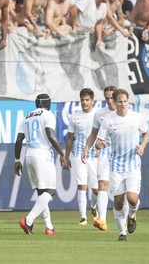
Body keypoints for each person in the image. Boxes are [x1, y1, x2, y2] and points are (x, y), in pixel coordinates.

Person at [86, 88, 149, 242]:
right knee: (119, 201)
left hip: (133, 164)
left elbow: (146, 133)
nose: (122, 104)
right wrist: (98, 146)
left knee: (133, 199)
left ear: (128, 101)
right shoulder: (108, 121)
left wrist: (142, 147)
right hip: (116, 166)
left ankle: (132, 214)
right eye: (119, 101)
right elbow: (99, 140)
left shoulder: (136, 117)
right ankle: (122, 233)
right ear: (114, 102)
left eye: (125, 101)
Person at [15, 93, 65, 235]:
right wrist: (62, 154)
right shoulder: (47, 114)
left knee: (41, 193)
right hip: (42, 155)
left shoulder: (26, 117)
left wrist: (17, 160)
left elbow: (19, 141)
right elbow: (50, 135)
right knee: (51, 191)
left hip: (29, 155)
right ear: (46, 103)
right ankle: (28, 220)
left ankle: (49, 228)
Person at [81, 85, 118, 232]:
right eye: (107, 98)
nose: (109, 101)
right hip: (104, 153)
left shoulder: (125, 113)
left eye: (112, 97)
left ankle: (129, 216)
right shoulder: (100, 114)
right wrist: (86, 150)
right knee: (102, 184)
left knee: (120, 191)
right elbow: (93, 134)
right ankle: (102, 220)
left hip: (121, 156)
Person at [64, 88, 97, 226]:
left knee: (96, 189)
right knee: (82, 186)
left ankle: (93, 206)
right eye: (82, 99)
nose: (84, 102)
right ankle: (83, 217)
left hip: (95, 155)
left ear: (92, 101)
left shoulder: (97, 115)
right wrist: (66, 156)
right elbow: (70, 138)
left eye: (87, 100)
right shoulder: (75, 116)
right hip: (78, 155)